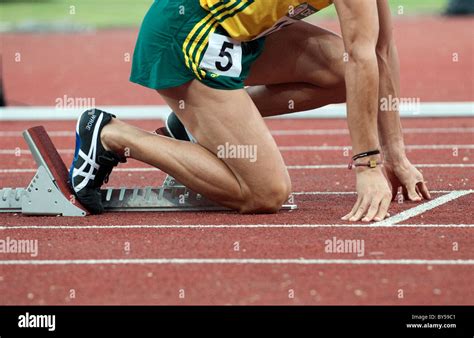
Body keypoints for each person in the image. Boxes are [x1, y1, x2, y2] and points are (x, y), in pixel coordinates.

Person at [69, 0, 430, 221]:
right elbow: (362, 55)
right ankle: (111, 134)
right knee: (266, 193)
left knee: (340, 72)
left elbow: (381, 50)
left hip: (242, 36)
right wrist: (367, 165)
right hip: (185, 34)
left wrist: (396, 156)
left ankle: (197, 124)